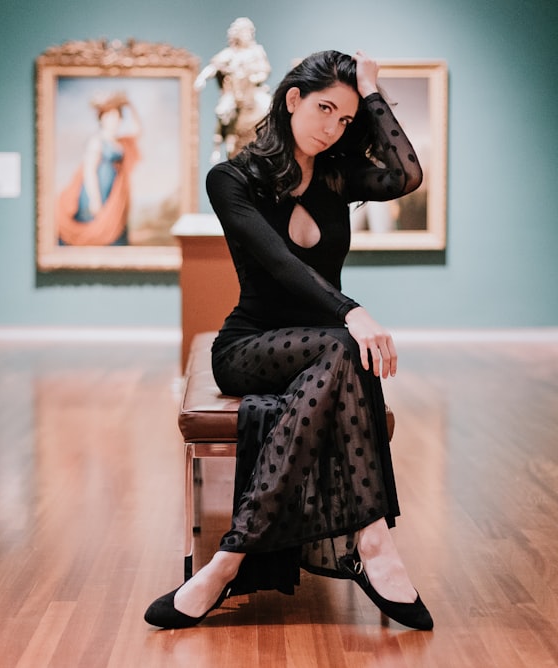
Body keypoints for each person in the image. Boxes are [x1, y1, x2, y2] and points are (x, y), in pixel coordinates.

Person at [145, 49, 433, 631]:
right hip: (250, 347)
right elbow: (278, 265)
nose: (333, 128)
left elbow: (407, 174)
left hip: (325, 347)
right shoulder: (231, 178)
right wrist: (351, 311)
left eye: (346, 120)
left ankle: (229, 562)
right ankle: (372, 545)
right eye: (325, 108)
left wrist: (371, 93)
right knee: (346, 346)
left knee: (340, 350)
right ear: (292, 99)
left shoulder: (336, 174)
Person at [56, 90, 141, 246]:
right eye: (108, 117)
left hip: (114, 193)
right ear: (101, 119)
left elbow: (137, 130)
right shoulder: (96, 141)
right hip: (96, 191)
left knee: (114, 234)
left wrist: (128, 105)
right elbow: (89, 171)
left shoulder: (120, 142)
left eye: (115, 117)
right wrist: (95, 199)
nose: (112, 121)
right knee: (95, 232)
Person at [194, 17, 272, 163]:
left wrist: (257, 77)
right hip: (235, 92)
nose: (247, 35)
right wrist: (201, 78)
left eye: (249, 32)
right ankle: (217, 146)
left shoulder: (257, 51)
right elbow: (214, 67)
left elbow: (265, 69)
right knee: (223, 110)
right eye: (244, 32)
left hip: (252, 90)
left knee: (269, 106)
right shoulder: (230, 53)